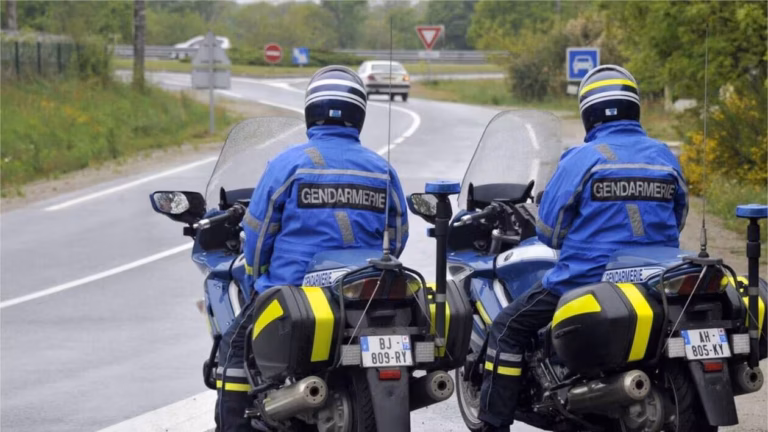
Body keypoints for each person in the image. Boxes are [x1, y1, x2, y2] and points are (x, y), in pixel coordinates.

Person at [478, 65, 688, 431]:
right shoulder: (664, 156)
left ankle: (493, 423)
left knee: (507, 327)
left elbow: (548, 232)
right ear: (634, 107)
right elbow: (679, 217)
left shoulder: (582, 159)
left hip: (586, 277)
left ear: (588, 112)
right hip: (658, 276)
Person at [215, 66, 409, 432]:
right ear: (359, 115)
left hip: (295, 291)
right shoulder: (381, 169)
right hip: (365, 294)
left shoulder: (288, 165)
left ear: (311, 111)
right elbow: (397, 237)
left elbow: (257, 238)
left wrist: (257, 281)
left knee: (233, 345)